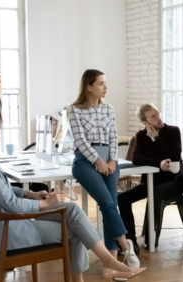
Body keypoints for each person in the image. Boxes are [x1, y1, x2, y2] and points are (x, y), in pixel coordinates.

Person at [0, 112, 145, 282]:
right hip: (7, 234)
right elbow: (11, 203)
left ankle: (107, 263)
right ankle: (106, 263)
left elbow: (4, 190)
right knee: (75, 228)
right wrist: (45, 202)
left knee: (72, 210)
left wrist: (30, 193)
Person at [68, 69, 140, 268]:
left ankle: (112, 260)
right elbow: (80, 140)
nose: (105, 87)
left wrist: (113, 161)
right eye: (101, 83)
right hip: (85, 161)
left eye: (105, 83)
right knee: (107, 202)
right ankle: (126, 246)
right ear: (89, 86)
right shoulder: (74, 109)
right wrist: (98, 160)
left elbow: (113, 137)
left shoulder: (108, 109)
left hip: (110, 159)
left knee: (110, 204)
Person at [118, 103, 183, 252]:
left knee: (154, 194)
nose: (159, 119)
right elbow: (136, 158)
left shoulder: (173, 131)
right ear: (145, 123)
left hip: (175, 181)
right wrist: (158, 163)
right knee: (122, 198)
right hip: (151, 182)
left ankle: (150, 236)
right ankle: (131, 240)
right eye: (153, 117)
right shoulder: (141, 136)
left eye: (158, 114)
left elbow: (175, 155)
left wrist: (156, 139)